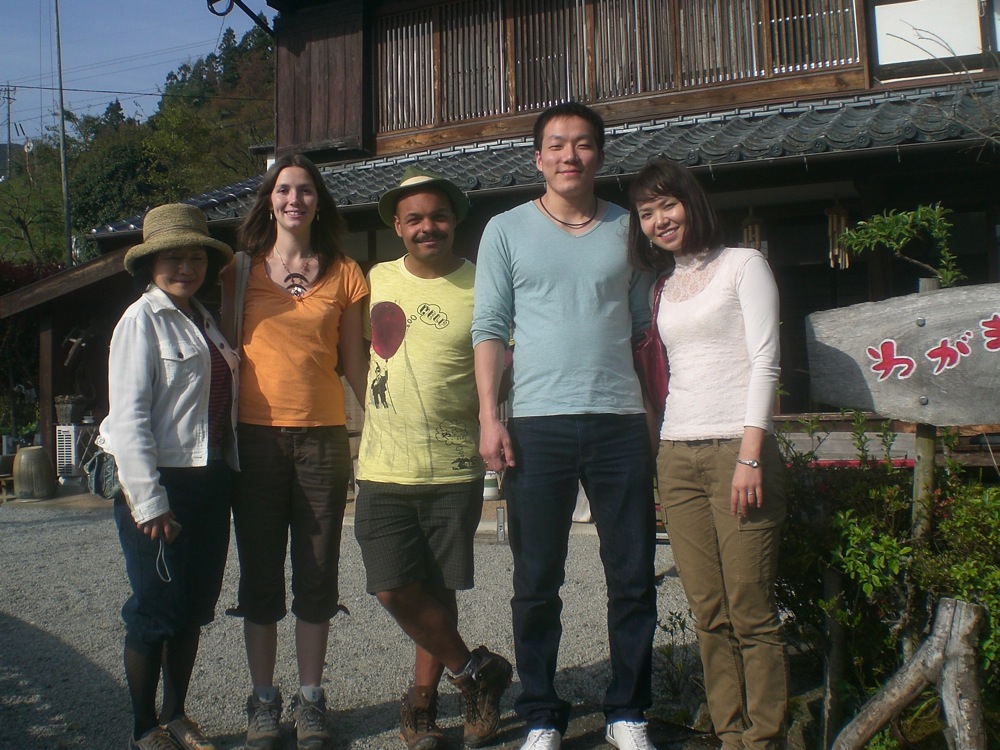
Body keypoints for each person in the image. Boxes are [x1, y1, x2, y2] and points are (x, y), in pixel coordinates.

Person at [472, 102, 657, 750]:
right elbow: (490, 327)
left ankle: (628, 709)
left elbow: (641, 328)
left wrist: (656, 416)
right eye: (556, 145)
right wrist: (489, 418)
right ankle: (542, 713)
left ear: (600, 156)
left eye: (582, 145)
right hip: (536, 423)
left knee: (632, 572)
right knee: (536, 578)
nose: (569, 156)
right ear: (538, 157)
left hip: (619, 418)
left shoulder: (628, 228)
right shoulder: (504, 230)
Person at [627, 159, 788, 749]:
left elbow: (766, 360)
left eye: (667, 205)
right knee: (707, 610)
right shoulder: (663, 286)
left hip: (736, 450)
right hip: (677, 451)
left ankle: (764, 737)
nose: (659, 220)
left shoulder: (744, 265)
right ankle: (729, 732)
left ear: (691, 202)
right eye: (646, 213)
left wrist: (750, 455)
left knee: (750, 608)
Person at [355, 166, 513, 750]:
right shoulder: (372, 279)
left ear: (455, 221)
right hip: (381, 464)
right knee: (393, 588)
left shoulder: (484, 284)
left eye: (439, 216)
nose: (428, 227)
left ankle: (422, 705)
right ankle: (477, 670)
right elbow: (351, 350)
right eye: (415, 218)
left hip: (453, 465)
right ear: (397, 226)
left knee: (437, 589)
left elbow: (503, 366)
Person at [226, 153, 368, 750]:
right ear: (269, 199)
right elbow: (225, 354)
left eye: (305, 190)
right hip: (254, 438)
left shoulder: (346, 274)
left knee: (317, 570)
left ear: (319, 202)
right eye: (283, 189)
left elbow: (356, 365)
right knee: (260, 571)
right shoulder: (239, 270)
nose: (293, 199)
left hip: (323, 438)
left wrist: (381, 430)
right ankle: (263, 699)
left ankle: (311, 698)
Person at [98, 203, 239, 750]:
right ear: (151, 263)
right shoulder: (142, 320)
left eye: (195, 256)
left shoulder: (204, 318)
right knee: (155, 609)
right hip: (160, 484)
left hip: (210, 480)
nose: (186, 267)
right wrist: (149, 501)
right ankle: (144, 727)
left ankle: (178, 714)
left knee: (193, 607)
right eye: (173, 257)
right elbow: (128, 416)